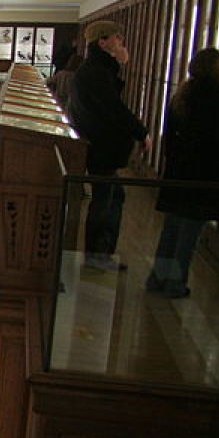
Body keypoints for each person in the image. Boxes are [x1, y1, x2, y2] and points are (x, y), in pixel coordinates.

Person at [68, 19, 151, 271]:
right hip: (100, 148)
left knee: (113, 197)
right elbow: (113, 108)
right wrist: (141, 132)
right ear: (103, 42)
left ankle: (101, 253)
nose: (121, 43)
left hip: (99, 146)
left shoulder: (95, 69)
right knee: (106, 200)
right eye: (117, 38)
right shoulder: (96, 71)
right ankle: (97, 256)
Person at [145, 47, 219, 299]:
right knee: (188, 234)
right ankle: (175, 283)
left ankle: (158, 277)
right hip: (204, 178)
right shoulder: (218, 98)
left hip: (178, 173)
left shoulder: (182, 95)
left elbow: (168, 137)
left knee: (172, 229)